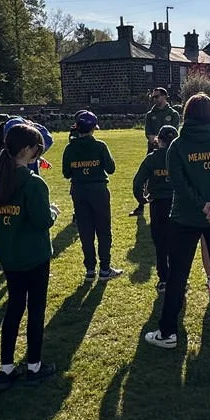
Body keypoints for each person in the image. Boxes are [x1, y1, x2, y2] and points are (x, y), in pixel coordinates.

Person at [144, 93, 210, 348]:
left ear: (186, 115)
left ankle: (168, 332)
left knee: (177, 274)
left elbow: (178, 183)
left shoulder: (177, 146)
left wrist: (203, 204)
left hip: (185, 218)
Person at [0, 122, 60, 388]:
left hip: (9, 256)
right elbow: (42, 221)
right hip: (34, 256)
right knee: (36, 310)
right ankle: (34, 365)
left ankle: (6, 368)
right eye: (38, 148)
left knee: (14, 308)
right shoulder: (33, 184)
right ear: (28, 150)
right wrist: (53, 211)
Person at [62, 109, 122, 280]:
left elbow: (66, 173)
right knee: (103, 230)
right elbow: (111, 168)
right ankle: (105, 268)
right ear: (93, 128)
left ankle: (90, 269)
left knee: (85, 230)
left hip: (79, 191)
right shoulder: (100, 146)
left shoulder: (70, 148)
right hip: (98, 191)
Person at [131, 124, 176, 291]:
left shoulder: (152, 158)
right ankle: (179, 279)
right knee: (178, 244)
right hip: (178, 204)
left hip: (157, 204)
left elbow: (138, 182)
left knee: (161, 243)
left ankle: (164, 278)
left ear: (159, 140)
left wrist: (141, 199)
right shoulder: (179, 157)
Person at [133, 88, 179, 216]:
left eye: (157, 96)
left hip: (169, 149)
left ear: (164, 96)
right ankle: (142, 203)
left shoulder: (173, 114)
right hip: (153, 148)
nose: (154, 99)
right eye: (153, 97)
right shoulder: (150, 114)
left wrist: (163, 140)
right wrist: (153, 139)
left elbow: (174, 132)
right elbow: (148, 132)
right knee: (148, 175)